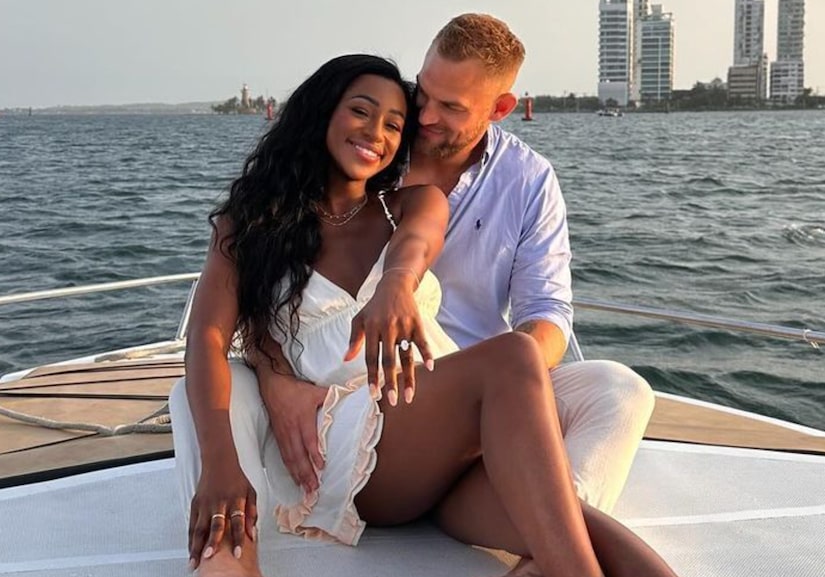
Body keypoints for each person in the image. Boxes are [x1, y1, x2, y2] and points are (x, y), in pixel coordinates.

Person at [169, 54, 677, 577]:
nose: (377, 133)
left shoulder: (411, 204)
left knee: (594, 513)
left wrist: (397, 282)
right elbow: (208, 336)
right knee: (514, 357)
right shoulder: (247, 224)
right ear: (321, 111)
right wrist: (221, 464)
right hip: (356, 437)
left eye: (394, 125)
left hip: (450, 430)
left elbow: (418, 243)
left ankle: (542, 557)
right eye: (361, 112)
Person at [257, 12, 655, 521]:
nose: (423, 116)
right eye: (423, 91)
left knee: (621, 391)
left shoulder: (529, 180)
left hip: (487, 394)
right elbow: (263, 278)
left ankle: (535, 530)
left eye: (450, 107)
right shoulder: (373, 143)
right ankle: (530, 519)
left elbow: (548, 315)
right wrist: (274, 377)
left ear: (501, 108)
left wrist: (499, 391)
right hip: (375, 394)